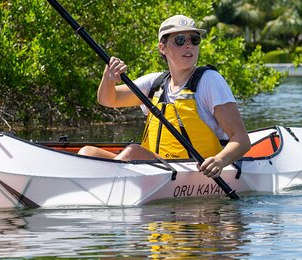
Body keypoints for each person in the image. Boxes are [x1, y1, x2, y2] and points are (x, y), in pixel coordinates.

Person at [78, 14, 251, 178]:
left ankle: (103, 187)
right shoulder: (155, 83)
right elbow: (108, 99)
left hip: (195, 170)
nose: (189, 45)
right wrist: (108, 77)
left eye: (194, 39)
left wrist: (220, 161)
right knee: (87, 152)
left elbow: (241, 140)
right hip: (155, 169)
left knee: (133, 151)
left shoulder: (210, 81)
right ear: (162, 47)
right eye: (180, 40)